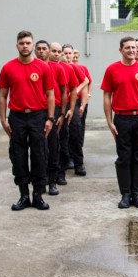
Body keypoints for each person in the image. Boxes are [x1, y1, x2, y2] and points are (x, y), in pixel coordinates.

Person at [0, 31, 55, 211]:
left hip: (38, 116)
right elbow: (2, 96)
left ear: (32, 45)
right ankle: (23, 195)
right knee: (18, 156)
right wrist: (3, 119)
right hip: (17, 117)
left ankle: (38, 195)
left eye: (28, 43)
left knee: (39, 154)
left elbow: (51, 95)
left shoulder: (43, 67)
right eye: (21, 43)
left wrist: (50, 118)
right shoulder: (8, 68)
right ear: (17, 46)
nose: (25, 46)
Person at [101, 36, 138, 209]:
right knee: (124, 157)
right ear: (121, 50)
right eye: (127, 48)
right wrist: (109, 121)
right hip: (122, 118)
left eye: (134, 47)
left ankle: (137, 192)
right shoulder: (112, 69)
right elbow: (106, 95)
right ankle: (125, 194)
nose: (132, 50)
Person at [35, 40, 67, 196]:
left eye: (44, 49)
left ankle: (53, 181)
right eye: (38, 49)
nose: (41, 51)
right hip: (35, 113)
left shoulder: (57, 68)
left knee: (53, 147)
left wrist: (61, 114)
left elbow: (63, 91)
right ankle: (40, 182)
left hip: (52, 112)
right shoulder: (31, 67)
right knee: (39, 150)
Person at [49, 42, 79, 186]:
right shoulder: (43, 67)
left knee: (62, 142)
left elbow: (73, 90)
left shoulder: (67, 68)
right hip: (45, 110)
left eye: (58, 51)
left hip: (61, 109)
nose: (56, 54)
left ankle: (60, 173)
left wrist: (71, 109)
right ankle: (46, 175)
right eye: (53, 51)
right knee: (47, 145)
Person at [63, 44, 89, 177]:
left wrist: (81, 102)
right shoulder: (58, 67)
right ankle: (66, 160)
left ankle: (79, 163)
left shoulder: (76, 68)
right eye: (65, 53)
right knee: (62, 134)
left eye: (69, 53)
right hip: (60, 104)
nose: (67, 56)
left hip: (73, 103)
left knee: (76, 131)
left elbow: (86, 82)